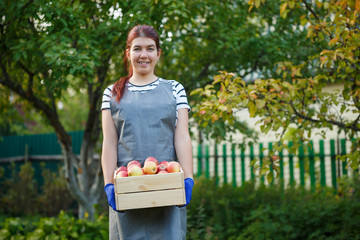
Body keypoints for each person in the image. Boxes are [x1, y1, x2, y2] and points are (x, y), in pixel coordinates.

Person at [101, 25, 194, 240]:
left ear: (158, 54)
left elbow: (182, 137)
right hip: (127, 191)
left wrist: (188, 179)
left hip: (167, 187)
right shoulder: (112, 93)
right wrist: (109, 184)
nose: (144, 55)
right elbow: (109, 143)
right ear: (128, 53)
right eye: (137, 49)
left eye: (150, 49)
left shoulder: (175, 90)